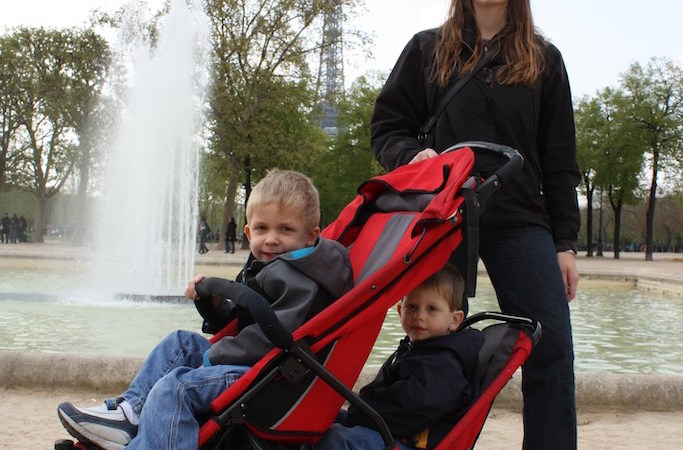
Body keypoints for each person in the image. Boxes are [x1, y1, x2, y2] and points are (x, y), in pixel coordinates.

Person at [370, 1, 580, 449]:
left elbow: (561, 160)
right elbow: (387, 127)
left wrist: (565, 243)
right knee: (431, 344)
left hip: (521, 216)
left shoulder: (545, 59)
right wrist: (411, 156)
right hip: (445, 213)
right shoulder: (426, 48)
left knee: (552, 348)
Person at [57, 169, 355, 450]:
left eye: (285, 229)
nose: (272, 238)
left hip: (271, 373)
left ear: (311, 236)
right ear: (249, 233)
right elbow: (242, 318)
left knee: (176, 388)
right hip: (254, 361)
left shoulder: (301, 277)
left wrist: (215, 355)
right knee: (178, 343)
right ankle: (128, 413)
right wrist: (212, 304)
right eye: (263, 229)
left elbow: (277, 335)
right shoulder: (271, 265)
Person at [307, 263, 483, 450]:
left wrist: (361, 413)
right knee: (318, 421)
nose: (419, 316)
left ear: (455, 320)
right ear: (400, 311)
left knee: (338, 437)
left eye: (431, 309)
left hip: (409, 442)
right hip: (391, 429)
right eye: (412, 307)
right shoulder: (417, 349)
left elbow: (410, 411)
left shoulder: (443, 364)